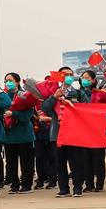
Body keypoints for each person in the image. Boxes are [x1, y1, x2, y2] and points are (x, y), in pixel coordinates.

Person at [41, 67, 87, 197]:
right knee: (59, 163)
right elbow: (44, 107)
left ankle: (78, 188)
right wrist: (54, 97)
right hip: (57, 134)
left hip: (74, 134)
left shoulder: (78, 93)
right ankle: (63, 189)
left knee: (76, 162)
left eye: (70, 74)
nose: (68, 76)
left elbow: (88, 108)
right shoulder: (54, 93)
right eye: (65, 74)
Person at [2, 72, 37, 194]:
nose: (8, 83)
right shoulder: (3, 95)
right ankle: (14, 185)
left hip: (24, 135)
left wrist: (14, 114)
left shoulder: (24, 95)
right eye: (6, 80)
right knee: (11, 162)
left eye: (10, 80)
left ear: (17, 82)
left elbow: (28, 115)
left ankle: (26, 185)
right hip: (9, 135)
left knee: (26, 162)